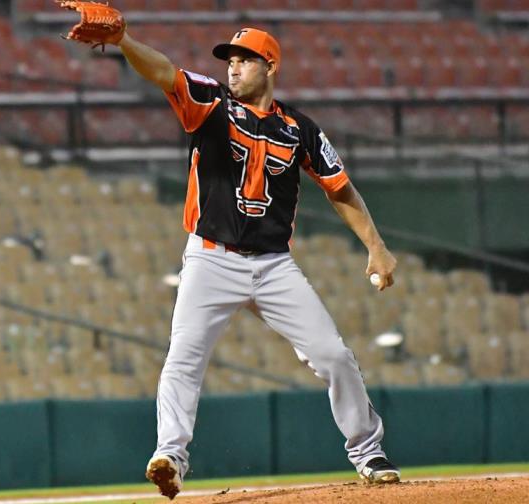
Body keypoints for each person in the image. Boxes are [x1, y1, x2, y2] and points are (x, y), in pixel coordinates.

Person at [107, 27, 403, 498]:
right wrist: (123, 41)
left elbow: (339, 187)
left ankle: (368, 452)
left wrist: (376, 245)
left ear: (270, 67)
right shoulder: (210, 102)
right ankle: (170, 455)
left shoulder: (300, 128)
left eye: (245, 59)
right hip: (210, 259)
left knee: (333, 355)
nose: (233, 67)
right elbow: (163, 72)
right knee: (183, 359)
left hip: (273, 266)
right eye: (230, 60)